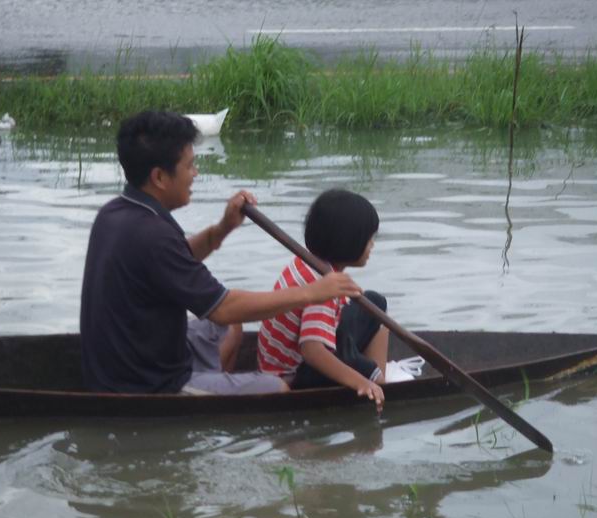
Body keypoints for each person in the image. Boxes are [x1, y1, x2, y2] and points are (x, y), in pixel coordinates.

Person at [80, 111, 361, 395]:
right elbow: (223, 309)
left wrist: (223, 228)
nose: (195, 173)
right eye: (190, 166)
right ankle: (205, 397)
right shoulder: (154, 235)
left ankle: (212, 389)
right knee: (277, 389)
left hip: (129, 358)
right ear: (160, 177)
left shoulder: (115, 213)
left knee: (231, 329)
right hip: (148, 383)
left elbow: (177, 259)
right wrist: (311, 292)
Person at [256, 189, 389, 412]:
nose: (372, 245)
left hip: (287, 360)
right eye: (369, 239)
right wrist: (360, 382)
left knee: (374, 304)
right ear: (348, 242)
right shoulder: (323, 285)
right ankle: (376, 384)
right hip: (295, 375)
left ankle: (380, 380)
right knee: (352, 356)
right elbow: (312, 351)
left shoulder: (307, 261)